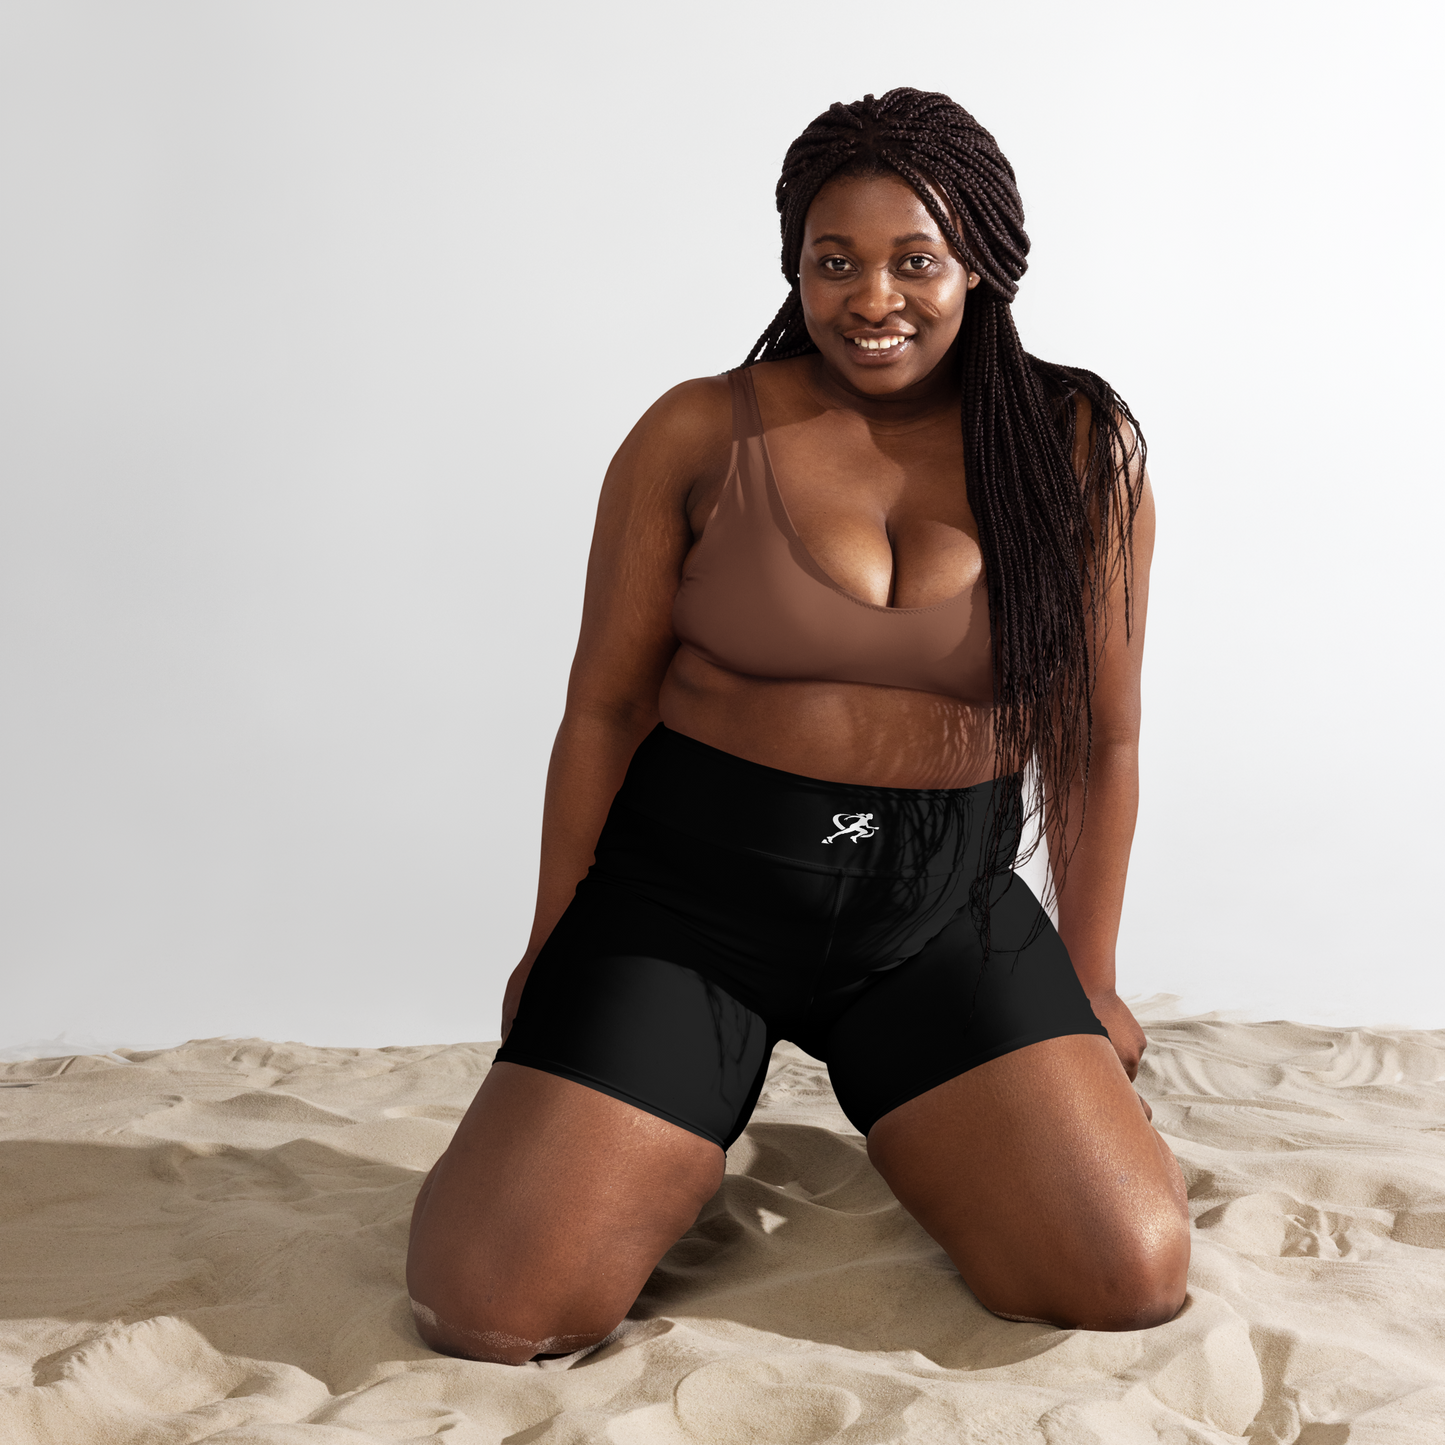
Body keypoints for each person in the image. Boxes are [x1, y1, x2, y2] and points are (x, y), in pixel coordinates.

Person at [406, 87, 1189, 1364]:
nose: (871, 297)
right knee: (493, 1308)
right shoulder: (698, 429)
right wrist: (551, 938)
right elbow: (600, 709)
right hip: (688, 906)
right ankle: (662, 1120)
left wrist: (1092, 978)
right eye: (834, 262)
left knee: (1122, 1278)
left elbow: (1099, 738)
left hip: (940, 913)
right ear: (794, 268)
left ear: (981, 261)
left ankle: (946, 1112)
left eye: (912, 260)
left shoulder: (1075, 447)